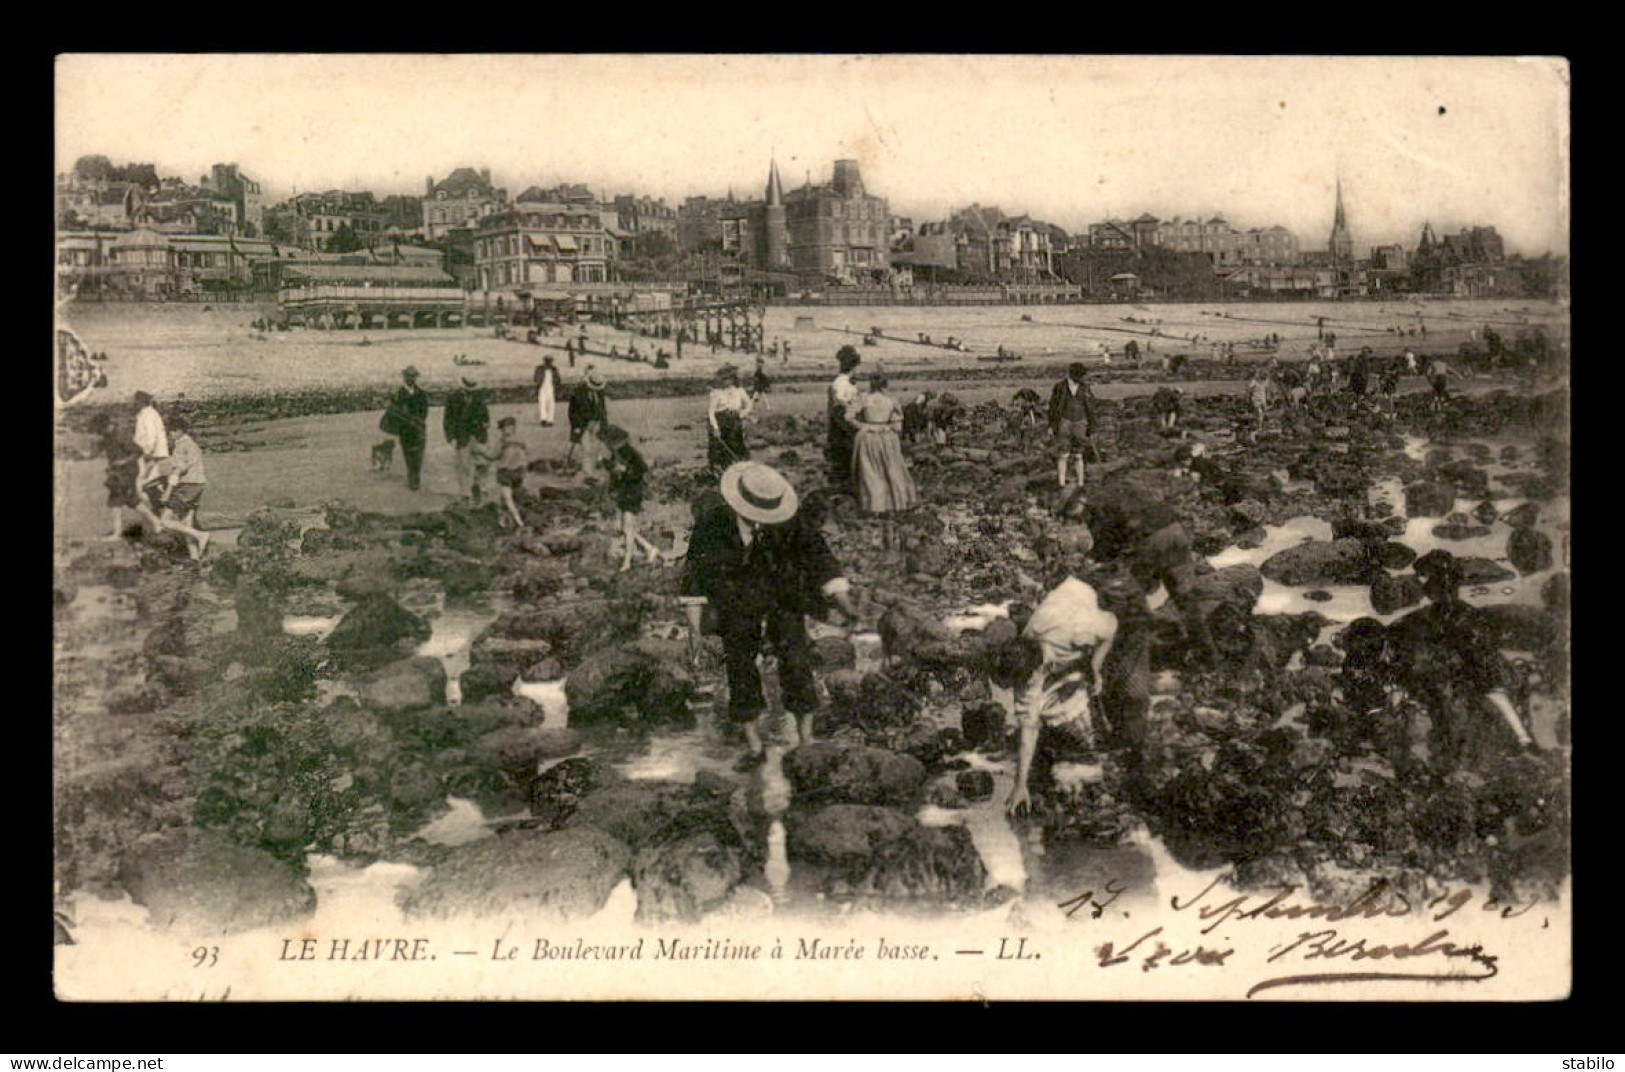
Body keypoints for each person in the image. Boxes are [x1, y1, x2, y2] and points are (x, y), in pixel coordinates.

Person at [681, 462, 860, 769]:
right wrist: (695, 632)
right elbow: (694, 581)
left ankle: (806, 740)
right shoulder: (712, 526)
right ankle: (754, 744)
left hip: (782, 597)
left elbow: (820, 559)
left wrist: (844, 603)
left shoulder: (790, 521)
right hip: (736, 601)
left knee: (796, 660)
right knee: (740, 665)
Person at [1386, 550, 1538, 770]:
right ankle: (1522, 738)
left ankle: (1521, 739)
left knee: (1487, 694)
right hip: (1466, 670)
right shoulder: (1461, 613)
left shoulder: (1425, 618)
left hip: (1457, 673)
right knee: (1494, 693)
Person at [995, 573, 1119, 815]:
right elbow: (1027, 727)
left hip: (1093, 597)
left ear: (1037, 670)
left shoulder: (1075, 632)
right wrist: (1020, 785)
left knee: (1098, 687)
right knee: (1047, 709)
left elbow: (1111, 626)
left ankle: (1101, 743)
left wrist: (1095, 666)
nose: (1022, 689)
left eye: (1027, 682)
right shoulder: (1025, 654)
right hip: (1061, 618)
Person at [848, 372, 918, 533]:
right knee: (893, 469)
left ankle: (875, 507)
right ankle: (896, 504)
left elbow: (849, 416)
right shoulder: (891, 400)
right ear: (885, 384)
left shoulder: (864, 398)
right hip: (887, 437)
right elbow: (898, 425)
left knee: (870, 472)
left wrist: (863, 426)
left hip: (868, 436)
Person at [599, 424, 662, 572]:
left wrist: (625, 470)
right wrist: (605, 463)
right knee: (625, 527)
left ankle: (627, 561)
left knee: (627, 528)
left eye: (608, 442)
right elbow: (615, 473)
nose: (607, 445)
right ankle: (649, 548)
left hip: (632, 492)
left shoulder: (630, 453)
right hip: (625, 492)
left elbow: (641, 470)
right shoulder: (617, 453)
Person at [155, 415, 210, 561]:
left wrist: (167, 492)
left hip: (188, 485)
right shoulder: (192, 444)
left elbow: (179, 470)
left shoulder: (180, 446)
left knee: (165, 521)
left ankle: (201, 535)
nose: (170, 434)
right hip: (199, 484)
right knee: (186, 523)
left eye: (172, 431)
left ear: (179, 431)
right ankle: (195, 559)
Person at [95, 411, 157, 539]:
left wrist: (122, 462)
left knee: (121, 501)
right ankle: (157, 523)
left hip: (127, 472)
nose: (99, 433)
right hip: (117, 473)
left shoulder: (120, 436)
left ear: (106, 425)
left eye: (100, 429)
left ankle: (118, 533)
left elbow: (139, 452)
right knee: (126, 501)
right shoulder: (108, 437)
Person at [1048, 362, 1096, 491]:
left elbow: (1091, 407)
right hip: (1065, 422)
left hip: (1081, 423)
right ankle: (1061, 483)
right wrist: (1051, 425)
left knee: (1079, 455)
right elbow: (1052, 407)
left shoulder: (1085, 388)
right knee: (1063, 454)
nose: (1082, 378)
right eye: (1080, 375)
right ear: (1073, 374)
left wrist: (1092, 426)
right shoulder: (1059, 387)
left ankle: (1080, 484)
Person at [474, 416, 528, 529]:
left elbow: (492, 456)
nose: (502, 431)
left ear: (507, 429)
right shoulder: (521, 441)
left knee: (507, 499)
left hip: (506, 472)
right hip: (519, 471)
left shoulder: (502, 442)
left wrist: (479, 450)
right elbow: (526, 454)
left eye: (503, 429)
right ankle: (514, 519)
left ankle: (519, 522)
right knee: (514, 497)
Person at [443, 375, 490, 502]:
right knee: (463, 465)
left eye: (473, 387)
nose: (471, 390)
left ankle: (481, 487)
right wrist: (450, 437)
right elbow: (448, 419)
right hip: (462, 436)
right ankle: (465, 492)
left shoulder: (480, 397)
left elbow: (486, 415)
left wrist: (486, 424)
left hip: (479, 435)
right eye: (468, 387)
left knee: (483, 463)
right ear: (463, 386)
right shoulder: (453, 398)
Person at [381, 366, 430, 491]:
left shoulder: (421, 393)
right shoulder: (398, 394)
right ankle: (412, 478)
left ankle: (416, 476)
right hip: (406, 430)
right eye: (408, 376)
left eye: (413, 376)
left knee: (419, 454)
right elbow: (393, 412)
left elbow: (425, 411)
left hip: (419, 428)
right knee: (408, 453)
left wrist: (418, 421)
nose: (411, 378)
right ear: (404, 377)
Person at [826, 346, 863, 488]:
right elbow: (840, 411)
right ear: (853, 367)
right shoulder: (842, 385)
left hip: (843, 430)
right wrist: (856, 428)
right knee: (846, 467)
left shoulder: (841, 383)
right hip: (844, 432)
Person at [707, 365, 754, 473]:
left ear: (732, 379)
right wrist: (715, 428)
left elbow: (749, 404)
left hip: (734, 421)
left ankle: (739, 469)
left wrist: (742, 414)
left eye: (727, 379)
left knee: (736, 444)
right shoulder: (716, 393)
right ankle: (719, 470)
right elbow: (711, 412)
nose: (724, 381)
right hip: (720, 421)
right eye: (722, 379)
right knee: (719, 448)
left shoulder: (739, 391)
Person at [567, 369, 609, 465]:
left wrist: (604, 423)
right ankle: (587, 467)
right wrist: (576, 426)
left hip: (597, 422)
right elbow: (572, 411)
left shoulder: (600, 392)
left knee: (597, 443)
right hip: (583, 423)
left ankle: (597, 461)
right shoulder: (578, 393)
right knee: (586, 447)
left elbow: (602, 408)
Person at [132, 390, 168, 493]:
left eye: (136, 401)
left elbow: (151, 434)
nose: (134, 403)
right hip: (153, 453)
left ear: (141, 402)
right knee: (152, 480)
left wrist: (148, 451)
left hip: (152, 453)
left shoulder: (147, 414)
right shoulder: (147, 413)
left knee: (145, 481)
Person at [534, 355, 560, 427]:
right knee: (543, 403)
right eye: (547, 361)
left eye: (549, 361)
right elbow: (536, 378)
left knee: (550, 404)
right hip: (543, 388)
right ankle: (544, 419)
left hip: (550, 388)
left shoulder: (553, 369)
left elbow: (557, 379)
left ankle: (549, 420)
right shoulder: (540, 369)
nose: (548, 362)